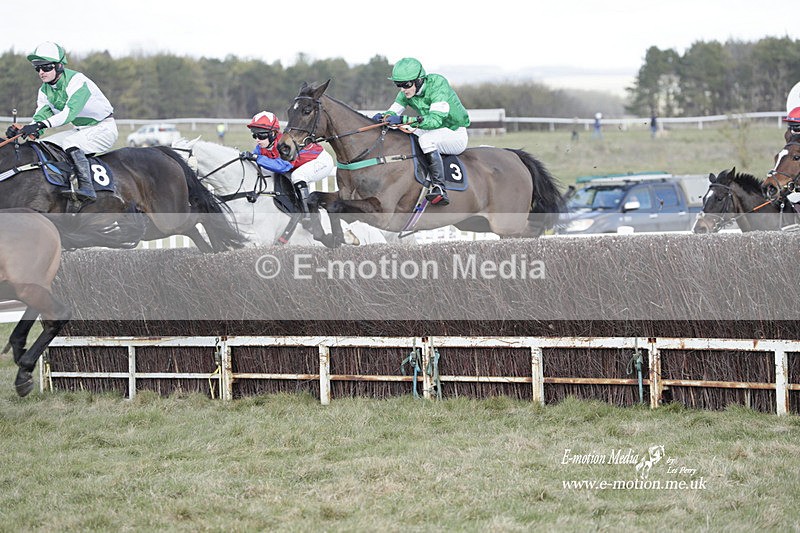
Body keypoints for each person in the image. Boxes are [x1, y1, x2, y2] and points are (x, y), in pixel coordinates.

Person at [5, 42, 117, 203]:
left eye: (46, 67)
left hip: (103, 128)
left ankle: (87, 188)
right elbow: (40, 116)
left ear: (59, 66)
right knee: (43, 145)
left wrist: (40, 125)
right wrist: (25, 130)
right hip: (81, 130)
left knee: (70, 143)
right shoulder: (44, 90)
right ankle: (60, 183)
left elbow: (69, 114)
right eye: (37, 68)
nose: (41, 72)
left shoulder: (77, 81)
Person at [371, 57, 471, 206]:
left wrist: (403, 120)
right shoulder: (406, 92)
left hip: (454, 133)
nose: (403, 89)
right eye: (398, 85)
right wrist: (384, 117)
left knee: (425, 140)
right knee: (401, 134)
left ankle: (439, 187)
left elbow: (435, 121)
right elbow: (393, 111)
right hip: (431, 132)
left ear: (418, 80)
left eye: (406, 85)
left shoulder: (438, 84)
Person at [240, 111, 334, 216]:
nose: (257, 140)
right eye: (254, 135)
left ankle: (308, 214)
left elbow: (283, 166)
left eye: (261, 136)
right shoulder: (261, 147)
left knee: (297, 176)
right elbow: (255, 161)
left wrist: (256, 158)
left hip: (320, 161)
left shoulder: (285, 144)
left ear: (273, 133)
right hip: (299, 165)